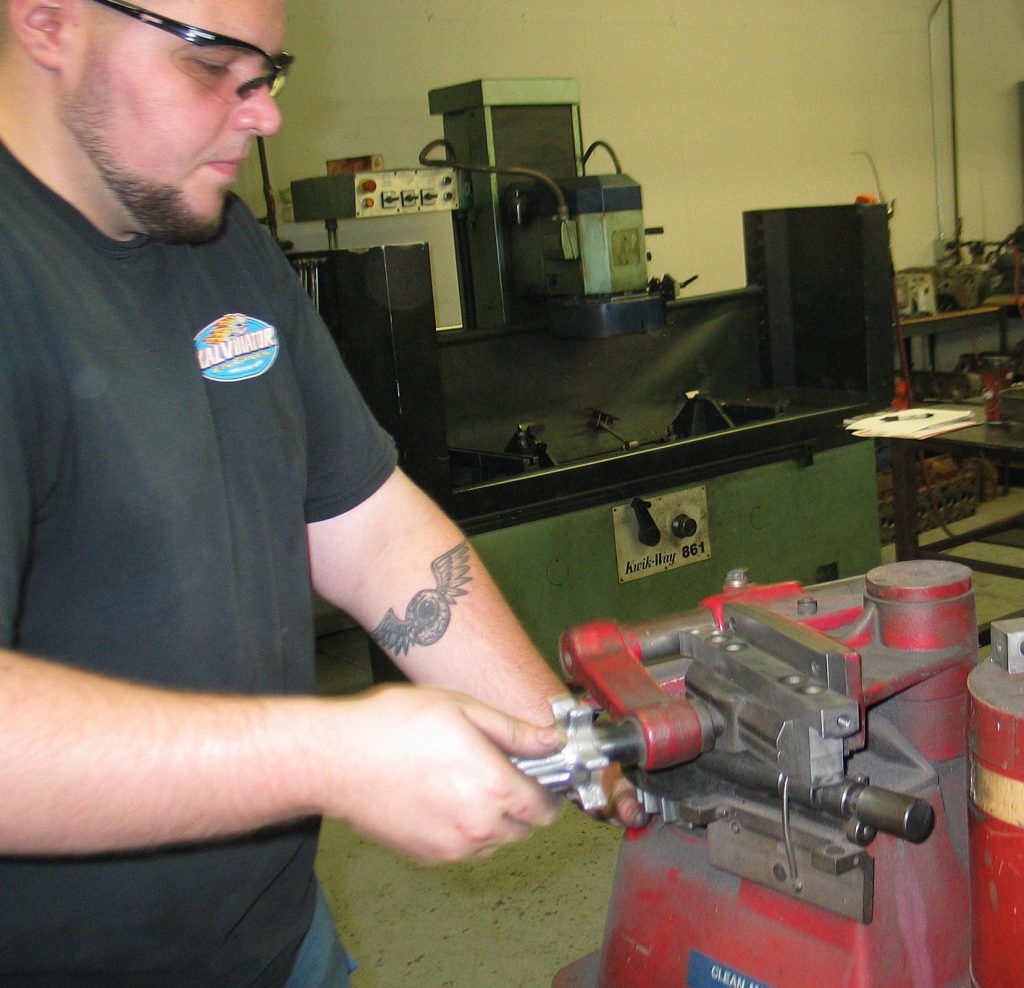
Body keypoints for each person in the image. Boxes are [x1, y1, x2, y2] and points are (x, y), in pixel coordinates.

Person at [0, 1, 641, 984]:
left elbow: (367, 528)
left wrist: (573, 748)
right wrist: (330, 757)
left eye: (268, 73)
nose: (263, 117)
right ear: (47, 23)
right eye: (211, 67)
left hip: (277, 938)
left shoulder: (217, 238)